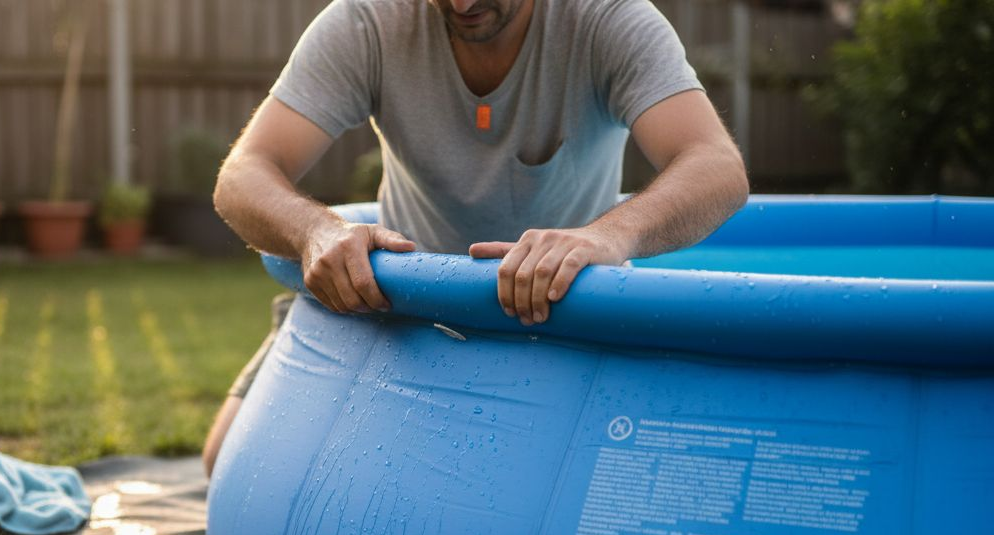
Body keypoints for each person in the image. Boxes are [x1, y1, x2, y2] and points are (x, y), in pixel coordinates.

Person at [201, 0, 749, 475]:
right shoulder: (368, 20)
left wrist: (608, 237)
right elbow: (242, 174)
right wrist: (315, 231)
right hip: (399, 316)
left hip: (559, 319)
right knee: (225, 457)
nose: (461, 4)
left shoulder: (609, 18)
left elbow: (717, 166)